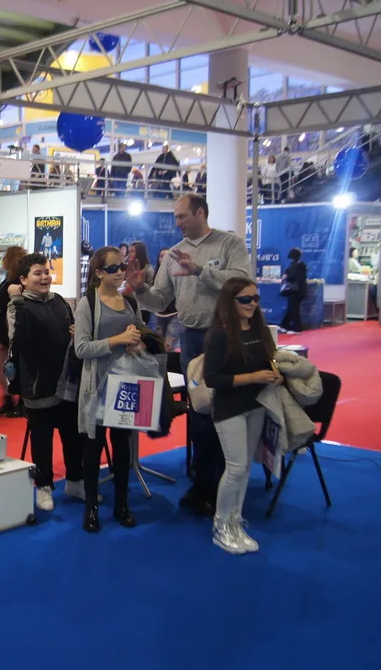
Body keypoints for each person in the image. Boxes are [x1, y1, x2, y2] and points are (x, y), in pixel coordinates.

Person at [128, 193, 252, 515]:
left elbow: (242, 285)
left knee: (226, 411)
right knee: (200, 414)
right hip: (192, 340)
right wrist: (140, 290)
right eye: (175, 217)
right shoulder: (173, 254)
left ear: (200, 213)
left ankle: (227, 483)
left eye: (182, 216)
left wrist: (199, 271)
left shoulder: (229, 244)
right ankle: (203, 483)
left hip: (227, 338)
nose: (177, 222)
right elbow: (160, 300)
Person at [203, 278, 280, 555]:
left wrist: (275, 374)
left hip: (256, 405)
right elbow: (212, 378)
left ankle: (235, 521)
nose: (252, 304)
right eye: (245, 299)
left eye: (255, 298)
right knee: (235, 467)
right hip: (229, 408)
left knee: (245, 467)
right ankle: (220, 526)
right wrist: (253, 377)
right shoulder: (220, 335)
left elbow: (270, 361)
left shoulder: (260, 329)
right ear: (230, 301)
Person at [74, 246, 148, 533]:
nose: (120, 272)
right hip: (97, 385)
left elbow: (140, 332)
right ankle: (90, 507)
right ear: (99, 273)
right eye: (113, 268)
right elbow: (81, 348)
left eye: (122, 266)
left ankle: (122, 504)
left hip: (125, 383)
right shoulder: (88, 303)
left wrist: (138, 343)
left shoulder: (129, 301)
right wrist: (118, 340)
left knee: (122, 447)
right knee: (92, 449)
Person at [8, 253, 86, 512]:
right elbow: (19, 341)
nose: (44, 277)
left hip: (67, 382)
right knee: (42, 439)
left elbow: (73, 333)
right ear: (23, 279)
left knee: (72, 435)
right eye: (37, 273)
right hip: (38, 384)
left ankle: (75, 481)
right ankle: (43, 486)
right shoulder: (18, 306)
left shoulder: (60, 301)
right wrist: (17, 302)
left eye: (46, 272)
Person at [0, 246, 26, 417]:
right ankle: (10, 397)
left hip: (9, 331)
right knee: (2, 365)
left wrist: (3, 337)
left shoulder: (13, 284)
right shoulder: (10, 281)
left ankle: (19, 400)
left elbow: (11, 313)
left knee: (12, 365)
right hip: (6, 330)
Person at [151, 249, 180, 351]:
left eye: (167, 256)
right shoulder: (155, 275)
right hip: (159, 315)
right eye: (161, 256)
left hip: (174, 314)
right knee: (159, 344)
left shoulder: (178, 274)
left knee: (169, 346)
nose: (164, 258)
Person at [279, 248, 307, 334]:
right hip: (301, 290)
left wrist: (285, 278)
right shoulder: (301, 264)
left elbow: (292, 276)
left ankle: (297, 329)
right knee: (292, 309)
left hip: (294, 290)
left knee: (294, 310)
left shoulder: (294, 265)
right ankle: (284, 326)